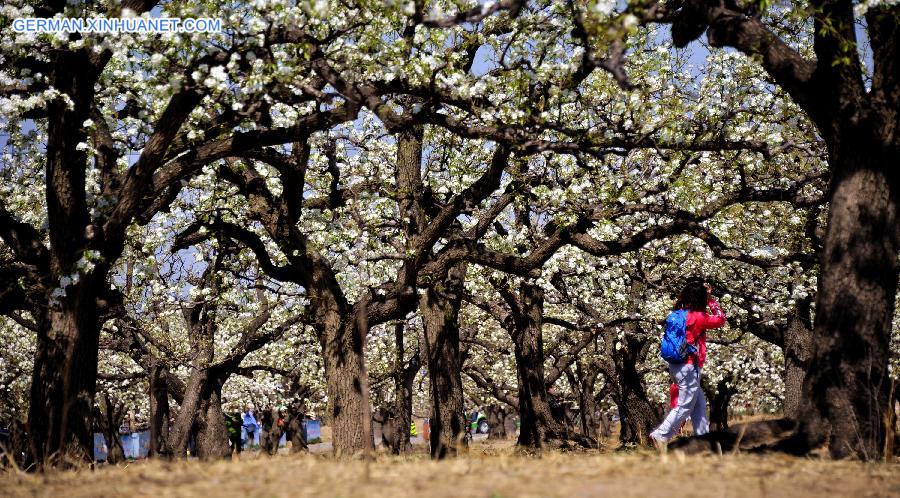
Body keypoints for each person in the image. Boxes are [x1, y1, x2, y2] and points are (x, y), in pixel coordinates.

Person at [650, 281, 725, 448]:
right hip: (689, 366)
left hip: (675, 365)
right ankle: (660, 435)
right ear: (701, 299)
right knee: (684, 405)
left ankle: (704, 439)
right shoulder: (698, 317)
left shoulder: (676, 315)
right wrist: (711, 300)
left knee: (698, 404)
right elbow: (720, 319)